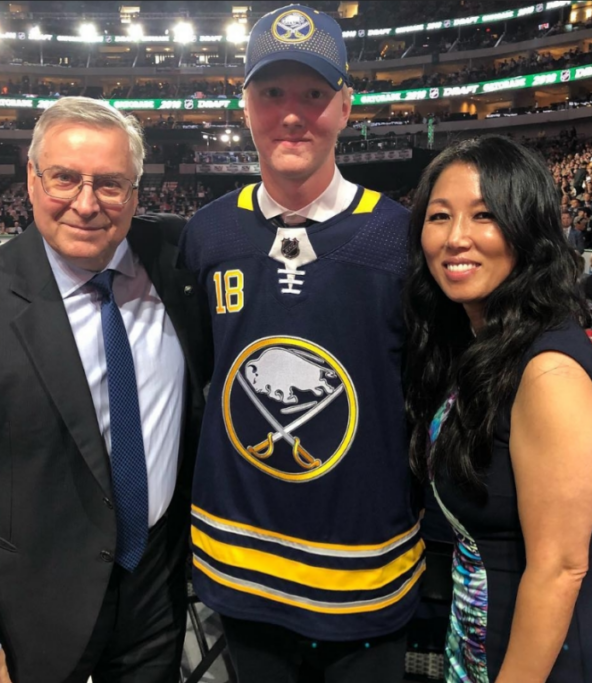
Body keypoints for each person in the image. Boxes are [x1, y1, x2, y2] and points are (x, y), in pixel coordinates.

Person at [178, 5, 422, 682]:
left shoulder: (400, 237)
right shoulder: (208, 234)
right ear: (246, 106)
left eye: (314, 94)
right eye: (272, 93)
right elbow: (201, 372)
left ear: (347, 106)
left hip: (366, 570)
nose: (293, 114)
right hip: (240, 562)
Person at [0, 97, 212, 683]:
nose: (86, 204)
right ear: (31, 180)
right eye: (64, 178)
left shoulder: (180, 268)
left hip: (156, 591)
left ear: (137, 193)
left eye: (110, 184)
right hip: (26, 607)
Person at [404, 135, 592, 682]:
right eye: (439, 216)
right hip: (481, 641)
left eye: (485, 216)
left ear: (527, 229)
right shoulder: (484, 343)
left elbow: (561, 569)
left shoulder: (548, 374)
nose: (455, 239)